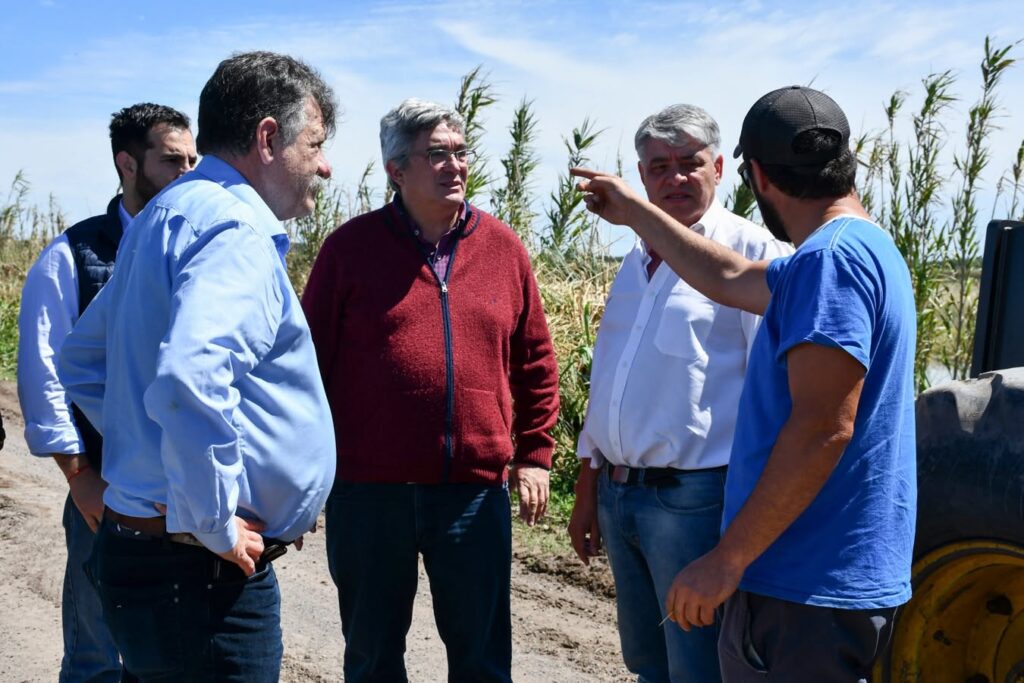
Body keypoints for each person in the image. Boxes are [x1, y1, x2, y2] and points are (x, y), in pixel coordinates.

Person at [573, 86, 916, 681]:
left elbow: (821, 429)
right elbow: (728, 275)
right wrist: (634, 212)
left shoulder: (827, 262)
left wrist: (725, 561)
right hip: (822, 574)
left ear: (751, 173)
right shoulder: (856, 248)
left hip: (807, 577)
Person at [57, 51, 338, 682]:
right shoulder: (235, 229)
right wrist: (210, 520)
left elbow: (82, 360)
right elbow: (190, 378)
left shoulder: (167, 215)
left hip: (158, 558)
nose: (324, 165)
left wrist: (152, 448)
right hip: (198, 575)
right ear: (268, 137)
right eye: (315, 144)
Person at [302, 97, 560, 682]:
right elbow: (307, 366)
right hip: (369, 493)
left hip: (471, 495)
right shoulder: (350, 250)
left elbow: (536, 360)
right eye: (436, 154)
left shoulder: (503, 247)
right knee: (371, 657)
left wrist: (535, 455)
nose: (455, 165)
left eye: (460, 152)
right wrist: (304, 471)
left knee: (483, 660)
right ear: (396, 169)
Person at [568, 104, 789, 683]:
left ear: (718, 167)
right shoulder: (634, 258)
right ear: (641, 178)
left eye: (690, 163)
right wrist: (589, 485)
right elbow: (610, 381)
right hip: (622, 497)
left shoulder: (751, 255)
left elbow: (778, 396)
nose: (676, 178)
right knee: (646, 662)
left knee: (700, 667)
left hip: (694, 502)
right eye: (659, 167)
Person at [17, 102, 195, 683]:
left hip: (189, 493)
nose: (188, 173)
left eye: (194, 159)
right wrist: (80, 479)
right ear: (127, 164)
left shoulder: (201, 248)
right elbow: (45, 374)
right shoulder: (73, 256)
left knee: (177, 649)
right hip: (106, 487)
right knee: (97, 652)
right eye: (172, 160)